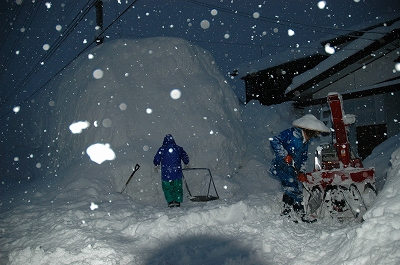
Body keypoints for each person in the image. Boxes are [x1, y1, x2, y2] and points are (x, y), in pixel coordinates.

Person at [270, 114, 330, 223]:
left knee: (291, 189)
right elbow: (274, 141)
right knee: (294, 190)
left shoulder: (305, 142)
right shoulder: (291, 133)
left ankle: (286, 213)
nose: (315, 135)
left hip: (291, 169)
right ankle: (299, 215)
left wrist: (301, 171)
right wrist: (284, 155)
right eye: (315, 132)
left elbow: (303, 158)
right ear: (308, 130)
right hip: (281, 166)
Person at [153, 134, 190, 207]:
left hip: (166, 173)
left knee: (167, 188)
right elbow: (185, 156)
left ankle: (170, 201)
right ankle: (177, 201)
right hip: (177, 172)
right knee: (177, 187)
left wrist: (156, 165)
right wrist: (186, 163)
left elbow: (156, 159)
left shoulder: (162, 149)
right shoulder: (178, 148)